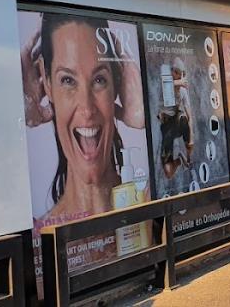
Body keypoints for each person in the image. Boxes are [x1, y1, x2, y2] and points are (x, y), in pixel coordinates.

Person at [21, 14, 143, 221]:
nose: (87, 109)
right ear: (47, 82)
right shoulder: (39, 236)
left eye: (99, 80)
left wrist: (149, 116)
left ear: (117, 80)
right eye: (68, 80)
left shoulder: (153, 203)